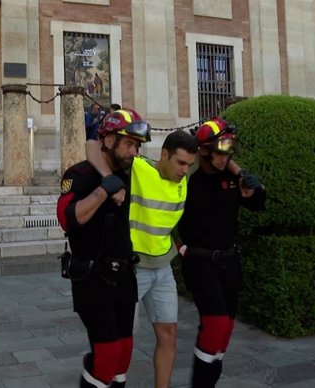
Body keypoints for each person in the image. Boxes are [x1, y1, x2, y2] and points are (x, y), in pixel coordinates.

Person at [85, 130, 197, 388]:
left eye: (189, 165)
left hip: (163, 268)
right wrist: (109, 180)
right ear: (164, 154)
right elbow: (92, 146)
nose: (184, 170)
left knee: (168, 334)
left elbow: (218, 153)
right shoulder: (139, 169)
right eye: (180, 163)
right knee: (122, 340)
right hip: (134, 270)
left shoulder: (185, 174)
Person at [57, 108, 151, 388]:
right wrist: (104, 189)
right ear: (109, 141)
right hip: (92, 278)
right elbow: (68, 218)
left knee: (123, 356)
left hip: (124, 276)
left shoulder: (131, 169)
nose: (134, 152)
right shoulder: (80, 174)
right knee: (107, 355)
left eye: (136, 146)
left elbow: (92, 146)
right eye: (129, 144)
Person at [177, 117, 265, 388]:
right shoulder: (189, 181)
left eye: (229, 150)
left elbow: (258, 204)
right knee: (214, 325)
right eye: (220, 150)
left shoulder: (232, 177)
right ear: (203, 150)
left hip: (229, 263)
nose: (226, 156)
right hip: (201, 264)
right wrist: (177, 246)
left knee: (224, 329)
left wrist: (251, 185)